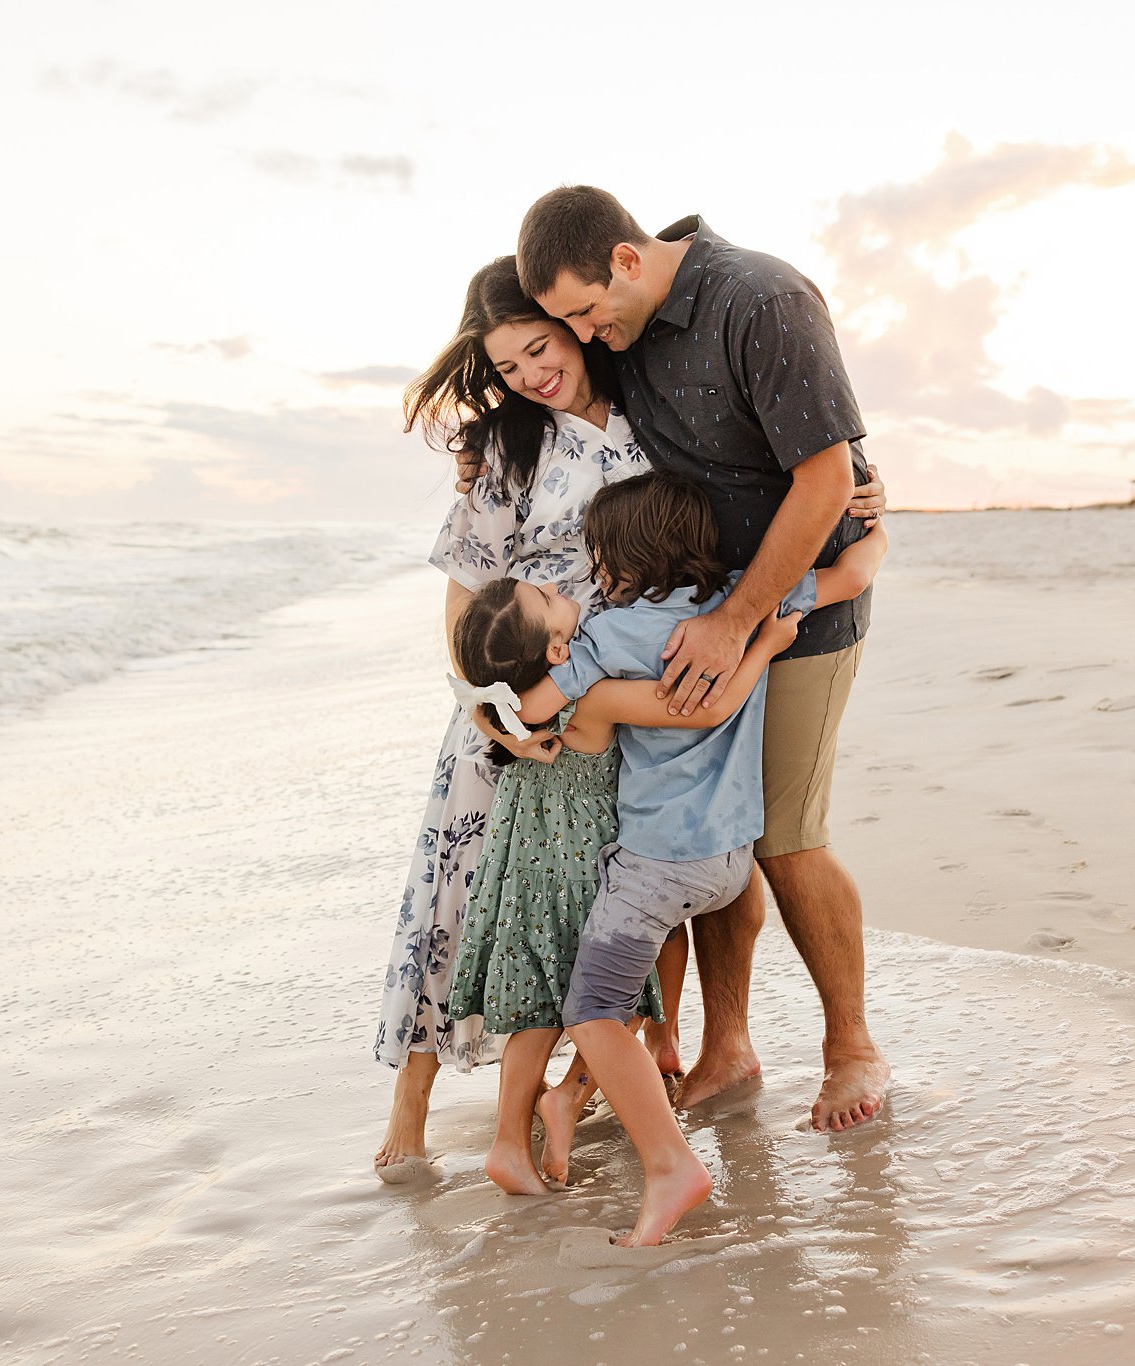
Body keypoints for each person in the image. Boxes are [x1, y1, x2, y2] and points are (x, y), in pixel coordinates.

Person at [373, 256, 886, 1174]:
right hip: (522, 693)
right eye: (508, 365)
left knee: (627, 884)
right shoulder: (505, 448)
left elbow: (781, 466)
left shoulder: (657, 408)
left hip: (627, 688)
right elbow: (465, 596)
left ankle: (633, 1063)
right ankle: (410, 1105)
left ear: (577, 321)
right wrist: (486, 704)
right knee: (458, 894)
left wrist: (865, 498)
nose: (532, 372)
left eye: (542, 344)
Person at [515, 186, 891, 1133]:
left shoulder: (760, 298)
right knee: (714, 829)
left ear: (628, 261)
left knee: (786, 832)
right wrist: (484, 446)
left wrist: (740, 620)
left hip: (789, 609)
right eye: (566, 322)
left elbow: (828, 475)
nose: (585, 335)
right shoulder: (624, 330)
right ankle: (728, 1049)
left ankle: (852, 1049)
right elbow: (547, 380)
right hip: (693, 612)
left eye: (585, 311)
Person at [509, 471, 886, 1243]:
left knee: (592, 1012)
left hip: (657, 869)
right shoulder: (746, 601)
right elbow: (854, 572)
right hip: (730, 865)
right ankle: (613, 1095)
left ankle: (670, 1164)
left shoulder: (608, 636)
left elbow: (535, 708)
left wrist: (524, 716)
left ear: (620, 560)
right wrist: (879, 525)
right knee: (616, 992)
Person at [445, 573, 795, 1194]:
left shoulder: (510, 706)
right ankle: (544, 1116)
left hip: (525, 865)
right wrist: (763, 647)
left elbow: (475, 692)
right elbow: (704, 710)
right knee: (608, 1003)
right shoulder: (593, 695)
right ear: (557, 650)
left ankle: (521, 1133)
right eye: (548, 600)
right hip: (581, 864)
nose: (557, 585)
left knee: (540, 1007)